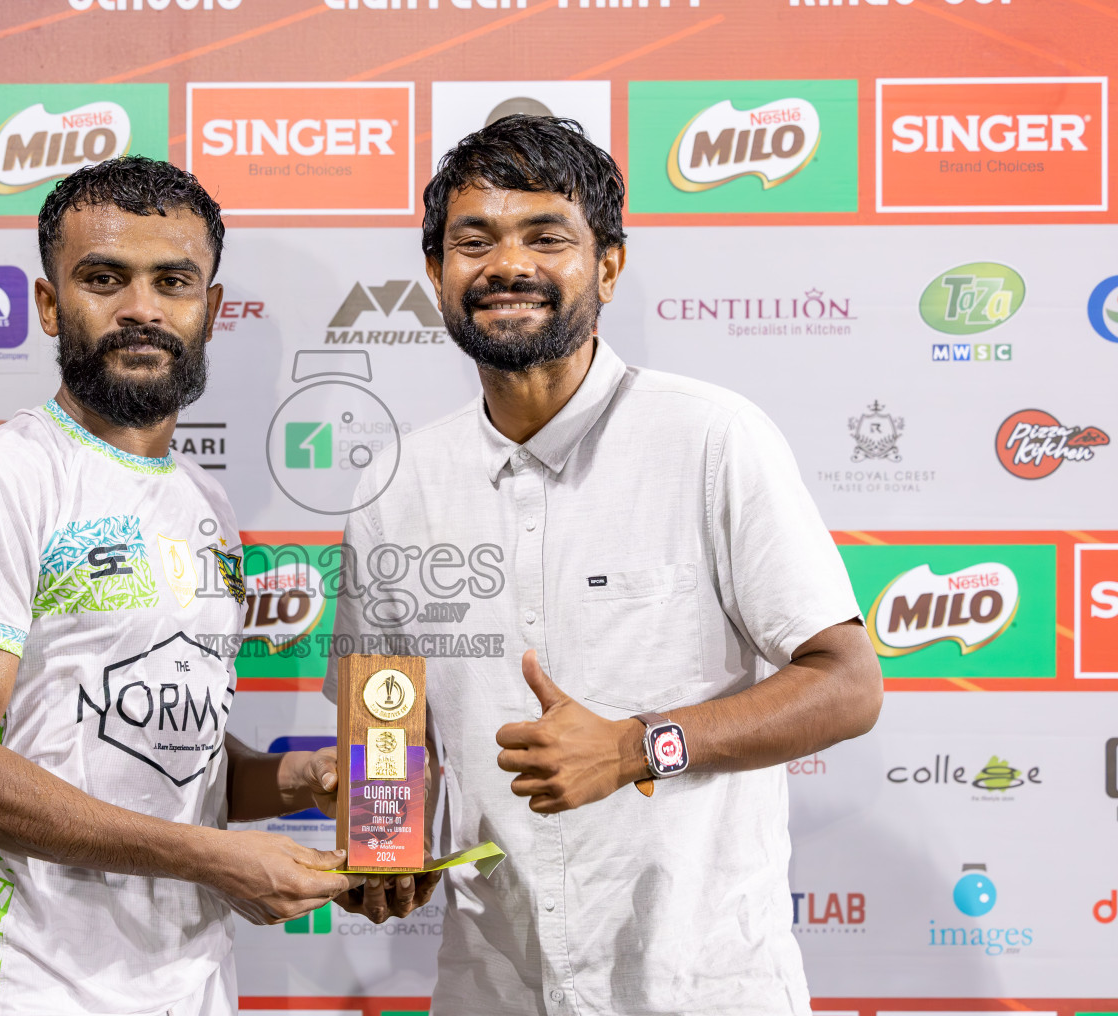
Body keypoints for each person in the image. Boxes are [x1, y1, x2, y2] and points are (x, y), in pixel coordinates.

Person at [325, 115, 883, 1014]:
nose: (508, 266)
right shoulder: (397, 482)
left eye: (547, 236)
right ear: (436, 275)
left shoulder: (711, 439)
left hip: (698, 986)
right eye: (474, 241)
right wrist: (381, 844)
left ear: (609, 266)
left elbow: (849, 684)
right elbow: (383, 711)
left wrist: (635, 745)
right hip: (494, 985)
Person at [0, 157, 358, 1016]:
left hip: (188, 987)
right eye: (104, 279)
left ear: (211, 311)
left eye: (172, 281)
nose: (141, 309)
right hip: (24, 986)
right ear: (47, 304)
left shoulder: (206, 503)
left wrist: (291, 781)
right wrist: (211, 859)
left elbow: (156, 758)